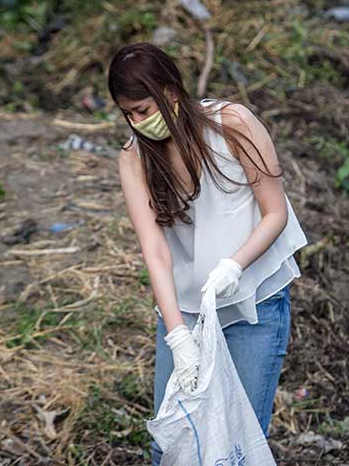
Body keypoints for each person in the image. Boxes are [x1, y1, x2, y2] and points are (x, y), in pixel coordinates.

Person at [107, 42, 308, 465]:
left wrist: (235, 265)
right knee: (170, 441)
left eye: (144, 109)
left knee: (237, 440)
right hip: (188, 311)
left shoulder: (232, 124)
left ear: (171, 91)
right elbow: (155, 251)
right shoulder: (134, 157)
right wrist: (178, 336)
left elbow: (275, 213)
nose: (138, 122)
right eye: (129, 114)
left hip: (255, 301)